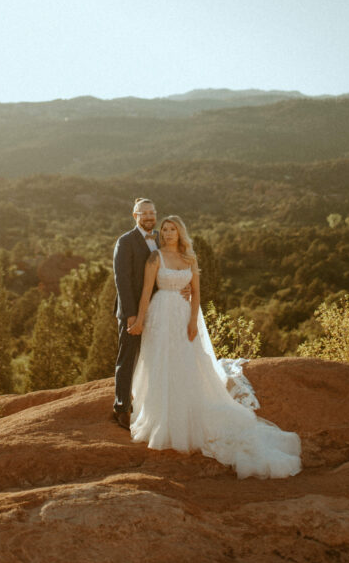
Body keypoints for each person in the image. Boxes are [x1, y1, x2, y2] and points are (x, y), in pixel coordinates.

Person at [127, 215, 302, 479]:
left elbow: (196, 292)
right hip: (160, 315)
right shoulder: (155, 259)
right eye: (165, 229)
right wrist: (140, 320)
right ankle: (162, 420)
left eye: (172, 228)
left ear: (180, 232)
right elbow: (145, 292)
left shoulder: (189, 258)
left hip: (184, 315)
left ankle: (188, 416)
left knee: (186, 364)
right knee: (161, 364)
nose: (168, 232)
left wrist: (193, 321)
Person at [111, 198, 189, 428]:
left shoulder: (161, 238)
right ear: (134, 216)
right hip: (133, 311)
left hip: (160, 310)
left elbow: (174, 266)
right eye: (143, 213)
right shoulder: (125, 242)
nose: (148, 217)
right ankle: (122, 407)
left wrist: (182, 286)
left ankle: (151, 404)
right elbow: (122, 281)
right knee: (128, 358)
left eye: (151, 213)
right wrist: (131, 315)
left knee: (155, 357)